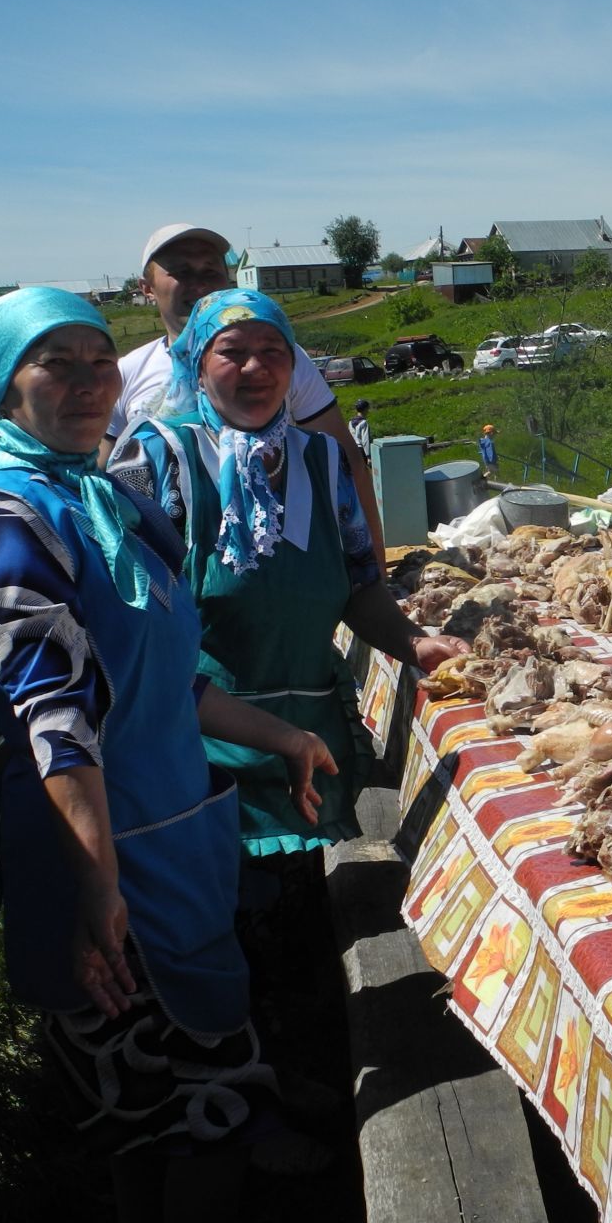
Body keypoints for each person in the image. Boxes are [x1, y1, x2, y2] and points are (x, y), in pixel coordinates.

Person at [0, 288, 337, 1223]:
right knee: (189, 1121)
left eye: (97, 359)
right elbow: (54, 718)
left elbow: (167, 682)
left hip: (169, 837)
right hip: (101, 863)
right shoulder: (5, 518)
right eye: (52, 365)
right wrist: (96, 881)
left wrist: (284, 735)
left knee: (152, 1114)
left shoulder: (98, 501)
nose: (85, 383)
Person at [114, 289, 466, 862]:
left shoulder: (323, 462)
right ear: (197, 363)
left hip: (311, 741)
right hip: (198, 752)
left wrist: (415, 642)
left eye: (274, 350)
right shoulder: (157, 460)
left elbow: (358, 586)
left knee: (301, 918)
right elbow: (128, 626)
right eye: (232, 351)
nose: (256, 367)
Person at [106, 222, 384, 555]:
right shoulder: (126, 374)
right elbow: (97, 481)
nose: (199, 284)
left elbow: (344, 460)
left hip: (291, 549)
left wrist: (375, 569)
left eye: (210, 270)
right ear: (147, 287)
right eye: (181, 271)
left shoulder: (281, 360)